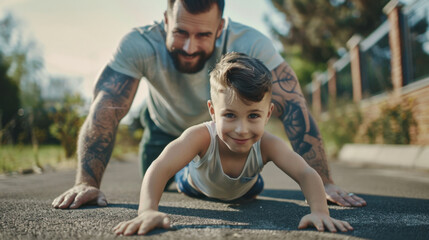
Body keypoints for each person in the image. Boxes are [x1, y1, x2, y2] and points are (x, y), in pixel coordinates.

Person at [52, 0, 366, 210]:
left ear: (221, 28)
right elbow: (107, 107)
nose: (189, 47)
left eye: (203, 35)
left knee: (244, 187)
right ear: (165, 20)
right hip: (163, 132)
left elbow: (294, 106)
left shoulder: (251, 44)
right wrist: (86, 182)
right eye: (179, 32)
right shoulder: (139, 44)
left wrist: (324, 182)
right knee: (158, 179)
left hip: (229, 130)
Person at [113, 52, 354, 236]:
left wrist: (320, 212)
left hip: (247, 188)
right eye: (229, 115)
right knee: (178, 178)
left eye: (253, 116)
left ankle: (245, 184)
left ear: (268, 115)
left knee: (253, 187)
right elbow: (160, 168)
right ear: (212, 111)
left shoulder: (269, 144)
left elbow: (305, 173)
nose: (242, 129)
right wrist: (148, 211)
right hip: (195, 184)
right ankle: (184, 178)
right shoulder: (200, 137)